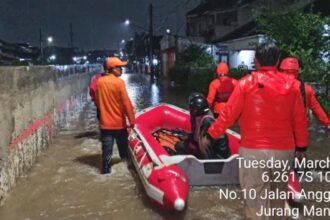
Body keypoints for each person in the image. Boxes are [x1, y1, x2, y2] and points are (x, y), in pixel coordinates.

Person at [205, 43, 308, 219]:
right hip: (284, 151)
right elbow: (300, 119)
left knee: (254, 202)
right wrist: (302, 147)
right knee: (278, 200)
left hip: (253, 152)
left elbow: (228, 115)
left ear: (256, 62)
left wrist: (210, 134)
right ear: (277, 61)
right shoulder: (293, 86)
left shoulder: (245, 84)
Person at [95, 57, 136, 174]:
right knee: (124, 155)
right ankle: (127, 174)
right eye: (119, 67)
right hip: (119, 125)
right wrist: (132, 121)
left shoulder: (99, 82)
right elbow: (126, 103)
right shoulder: (119, 83)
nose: (122, 70)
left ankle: (106, 173)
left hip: (105, 126)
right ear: (112, 69)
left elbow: (97, 102)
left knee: (106, 157)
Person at [280, 57, 330, 132]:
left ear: (281, 70)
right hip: (300, 130)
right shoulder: (307, 89)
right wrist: (328, 124)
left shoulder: (273, 87)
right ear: (297, 71)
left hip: (279, 130)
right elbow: (317, 108)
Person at [175, 93, 230, 159]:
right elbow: (197, 135)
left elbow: (209, 145)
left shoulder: (208, 122)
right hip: (202, 146)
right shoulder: (197, 117)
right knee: (180, 145)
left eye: (193, 109)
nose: (191, 110)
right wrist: (188, 135)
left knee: (181, 146)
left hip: (213, 156)